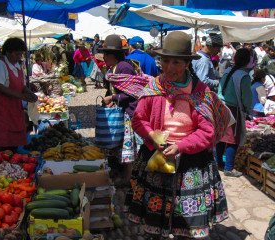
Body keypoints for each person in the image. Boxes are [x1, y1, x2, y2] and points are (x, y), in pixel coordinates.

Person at [125, 31, 230, 239]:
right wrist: (154, 138)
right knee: (154, 217)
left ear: (187, 64)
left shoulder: (200, 93)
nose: (169, 68)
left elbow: (207, 132)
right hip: (157, 156)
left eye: (176, 62)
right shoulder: (154, 88)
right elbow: (138, 120)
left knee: (187, 223)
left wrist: (181, 146)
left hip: (191, 163)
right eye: (165, 61)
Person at [0, 38, 38, 155]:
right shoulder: (0, 65)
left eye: (21, 54)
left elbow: (21, 85)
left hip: (12, 107)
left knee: (13, 141)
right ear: (7, 52)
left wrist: (29, 93)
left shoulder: (17, 66)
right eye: (17, 54)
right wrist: (22, 96)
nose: (19, 57)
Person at [100, 34, 142, 186]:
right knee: (122, 147)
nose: (104, 57)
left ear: (114, 55)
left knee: (128, 147)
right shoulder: (116, 67)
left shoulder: (124, 67)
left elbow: (132, 93)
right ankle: (124, 174)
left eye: (106, 54)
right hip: (123, 111)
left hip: (130, 113)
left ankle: (128, 178)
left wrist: (112, 98)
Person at [216, 48, 253, 177]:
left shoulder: (227, 71)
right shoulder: (244, 76)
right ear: (248, 61)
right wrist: (247, 109)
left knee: (220, 136)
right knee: (233, 139)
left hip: (221, 106)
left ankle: (218, 162)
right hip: (233, 109)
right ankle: (229, 168)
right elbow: (247, 98)